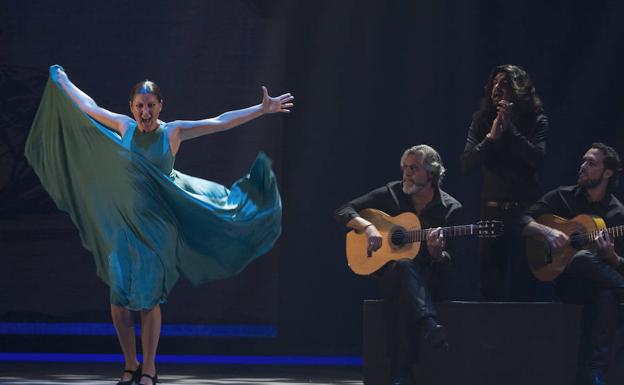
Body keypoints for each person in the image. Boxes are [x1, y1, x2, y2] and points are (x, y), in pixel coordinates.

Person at [25, 65, 294, 385]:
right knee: (119, 300)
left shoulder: (173, 132)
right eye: (139, 105)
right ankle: (129, 363)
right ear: (132, 107)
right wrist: (64, 80)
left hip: (157, 227)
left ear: (160, 106)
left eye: (151, 105)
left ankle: (149, 366)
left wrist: (261, 109)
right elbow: (89, 106)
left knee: (148, 299)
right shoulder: (124, 127)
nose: (145, 111)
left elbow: (220, 122)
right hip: (123, 226)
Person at [335, 145, 462, 385]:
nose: (407, 174)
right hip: (393, 274)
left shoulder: (451, 209)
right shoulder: (392, 193)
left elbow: (450, 262)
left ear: (431, 174)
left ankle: (400, 375)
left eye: (414, 169)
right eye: (405, 168)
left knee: (404, 285)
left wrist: (437, 253)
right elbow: (343, 210)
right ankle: (429, 325)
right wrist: (368, 227)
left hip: (429, 279)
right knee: (402, 266)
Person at [522, 143, 624, 385]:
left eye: (591, 163)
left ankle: (593, 375)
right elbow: (522, 218)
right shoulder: (563, 196)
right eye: (583, 161)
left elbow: (619, 263)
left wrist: (611, 257)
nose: (583, 167)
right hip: (563, 281)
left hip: (598, 287)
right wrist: (545, 231)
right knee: (582, 259)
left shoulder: (617, 214)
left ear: (607, 173)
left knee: (606, 293)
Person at [461, 64, 548, 301]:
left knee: (524, 284)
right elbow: (467, 163)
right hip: (492, 212)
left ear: (519, 89)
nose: (496, 88)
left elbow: (537, 159)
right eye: (494, 83)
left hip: (525, 213)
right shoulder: (482, 120)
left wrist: (510, 130)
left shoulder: (535, 120)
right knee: (489, 284)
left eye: (504, 83)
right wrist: (491, 138)